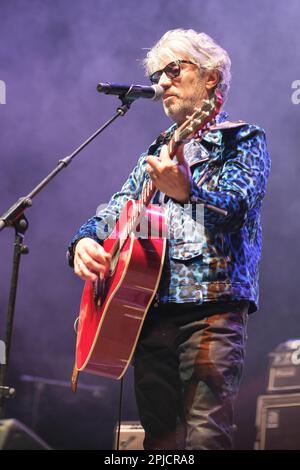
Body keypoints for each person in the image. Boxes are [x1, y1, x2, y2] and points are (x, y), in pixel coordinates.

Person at [67, 29, 271, 450]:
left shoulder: (243, 140)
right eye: (158, 75)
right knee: (160, 444)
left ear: (211, 77)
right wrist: (84, 241)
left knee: (205, 438)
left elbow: (235, 208)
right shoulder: (158, 149)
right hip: (147, 312)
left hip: (211, 308)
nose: (161, 84)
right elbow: (117, 207)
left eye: (173, 70)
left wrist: (189, 192)